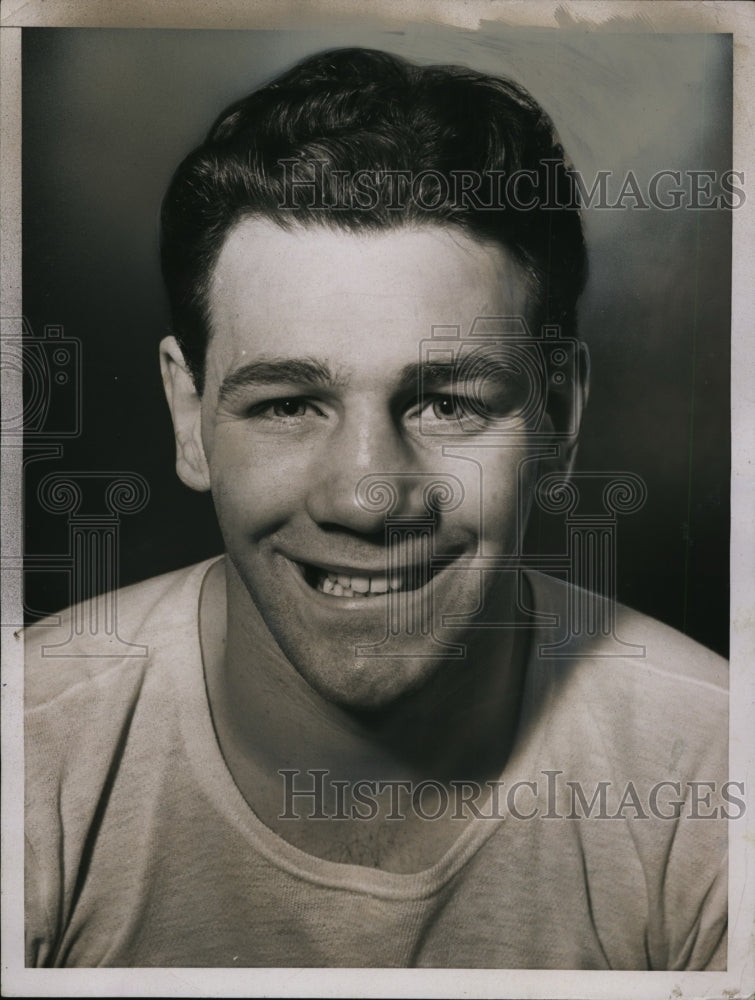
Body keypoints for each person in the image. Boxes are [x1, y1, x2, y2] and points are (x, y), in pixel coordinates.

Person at [24, 47, 729, 969]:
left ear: (557, 415)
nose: (365, 498)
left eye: (446, 403)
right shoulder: (27, 760)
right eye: (286, 404)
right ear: (189, 418)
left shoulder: (716, 776)